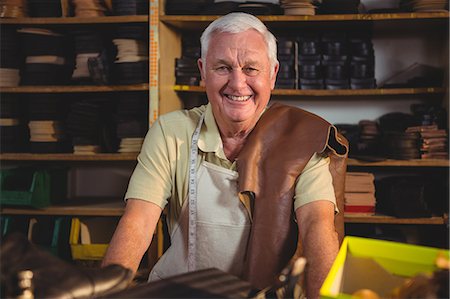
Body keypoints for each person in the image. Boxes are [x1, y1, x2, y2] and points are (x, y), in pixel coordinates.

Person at [102, 12, 345, 299]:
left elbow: (317, 225)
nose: (237, 83)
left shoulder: (304, 138)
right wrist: (106, 293)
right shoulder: (171, 131)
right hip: (182, 293)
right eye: (223, 67)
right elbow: (138, 221)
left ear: (273, 73)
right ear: (203, 71)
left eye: (251, 68)